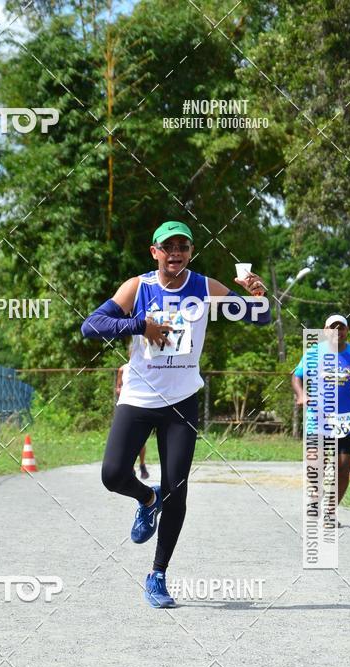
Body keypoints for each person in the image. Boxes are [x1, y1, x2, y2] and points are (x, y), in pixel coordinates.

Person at [81, 220, 269, 608]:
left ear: (190, 252)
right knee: (113, 475)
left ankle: (158, 575)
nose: (175, 253)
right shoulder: (138, 287)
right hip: (138, 398)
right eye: (168, 247)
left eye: (183, 246)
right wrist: (141, 326)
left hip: (181, 401)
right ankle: (147, 500)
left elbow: (260, 318)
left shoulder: (204, 286)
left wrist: (258, 297)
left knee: (177, 490)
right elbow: (91, 326)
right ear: (155, 252)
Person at [291, 314, 350, 510]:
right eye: (333, 327)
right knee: (316, 466)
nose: (337, 332)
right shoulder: (313, 353)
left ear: (347, 331)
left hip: (345, 421)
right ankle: (315, 496)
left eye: (341, 328)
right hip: (318, 419)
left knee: (342, 469)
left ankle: (330, 511)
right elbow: (296, 376)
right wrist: (301, 395)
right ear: (325, 330)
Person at [116, 351, 149, 479]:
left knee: (141, 441)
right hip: (127, 406)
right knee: (127, 440)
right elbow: (118, 387)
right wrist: (122, 391)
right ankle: (130, 467)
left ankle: (142, 464)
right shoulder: (123, 369)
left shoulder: (146, 367)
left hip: (142, 406)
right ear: (129, 354)